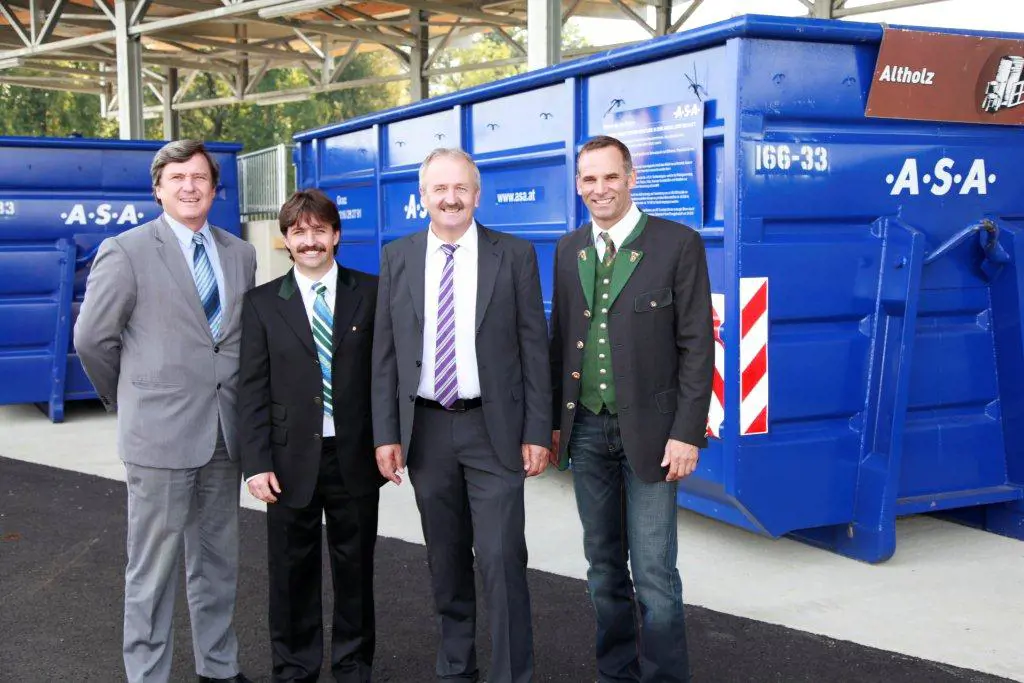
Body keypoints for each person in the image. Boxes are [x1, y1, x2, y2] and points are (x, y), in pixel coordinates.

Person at [74, 139, 257, 683]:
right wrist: (129, 396)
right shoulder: (126, 250)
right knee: (151, 572)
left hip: (224, 434)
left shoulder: (240, 253)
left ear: (214, 188)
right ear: (158, 189)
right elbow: (92, 339)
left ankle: (219, 668)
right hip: (159, 437)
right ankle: (149, 675)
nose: (188, 186)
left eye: (199, 177)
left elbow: (233, 342)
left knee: (218, 564)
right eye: (176, 177)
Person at [371, 148, 551, 683]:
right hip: (425, 432)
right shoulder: (398, 256)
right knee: (445, 563)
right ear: (422, 196)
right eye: (439, 189)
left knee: (500, 562)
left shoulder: (513, 255)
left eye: (461, 189)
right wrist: (386, 433)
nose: (450, 199)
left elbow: (533, 349)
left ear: (477, 194)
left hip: (493, 431)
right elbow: (386, 353)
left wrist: (538, 431)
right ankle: (456, 671)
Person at [549, 135, 714, 683]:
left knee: (654, 574)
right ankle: (616, 673)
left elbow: (697, 345)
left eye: (610, 177)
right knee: (601, 569)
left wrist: (688, 432)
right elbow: (562, 339)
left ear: (631, 177)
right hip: (587, 432)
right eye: (588, 179)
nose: (600, 189)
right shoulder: (568, 249)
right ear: (578, 185)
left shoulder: (676, 243)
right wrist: (555, 425)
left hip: (655, 434)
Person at [238, 189, 383, 682]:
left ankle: (352, 666)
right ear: (286, 240)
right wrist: (256, 462)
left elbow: (387, 377)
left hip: (354, 456)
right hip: (285, 461)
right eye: (299, 232)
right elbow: (251, 388)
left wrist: (391, 442)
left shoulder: (372, 292)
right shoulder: (261, 304)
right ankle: (296, 668)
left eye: (319, 230)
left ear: (336, 235)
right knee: (290, 573)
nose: (310, 240)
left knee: (355, 571)